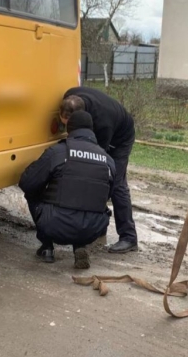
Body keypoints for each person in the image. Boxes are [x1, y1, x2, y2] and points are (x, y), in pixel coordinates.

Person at [19, 111, 116, 269]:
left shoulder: (58, 152)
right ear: (92, 130)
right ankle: (80, 245)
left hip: (56, 226)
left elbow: (27, 183)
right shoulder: (108, 160)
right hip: (93, 229)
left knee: (32, 192)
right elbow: (108, 195)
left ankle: (47, 247)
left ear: (69, 130)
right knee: (88, 198)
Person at [60, 86, 138, 253]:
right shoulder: (70, 96)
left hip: (120, 139)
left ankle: (129, 238)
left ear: (82, 117)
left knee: (113, 184)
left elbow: (98, 163)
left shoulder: (103, 123)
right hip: (106, 126)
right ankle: (98, 231)